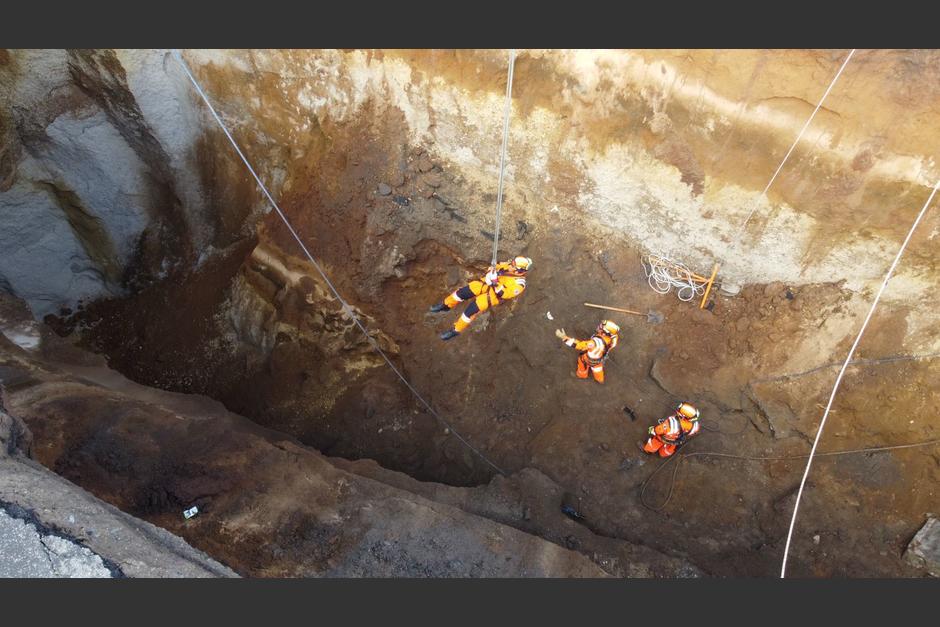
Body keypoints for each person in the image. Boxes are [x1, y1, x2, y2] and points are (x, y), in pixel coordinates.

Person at [430, 256, 532, 341]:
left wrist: (495, 282)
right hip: (483, 284)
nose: (510, 265)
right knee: (460, 293)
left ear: (519, 270)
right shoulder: (509, 265)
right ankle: (446, 305)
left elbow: (504, 294)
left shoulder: (519, 284)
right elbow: (497, 265)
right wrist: (491, 270)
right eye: (512, 263)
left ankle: (455, 330)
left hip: (491, 296)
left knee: (469, 312)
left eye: (513, 265)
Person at [554, 320, 620, 383]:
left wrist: (565, 338)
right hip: (599, 359)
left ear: (605, 332)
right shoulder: (613, 339)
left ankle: (582, 375)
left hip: (588, 359)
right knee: (598, 370)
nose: (599, 327)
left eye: (601, 327)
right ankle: (600, 380)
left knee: (581, 362)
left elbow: (579, 345)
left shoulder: (593, 343)